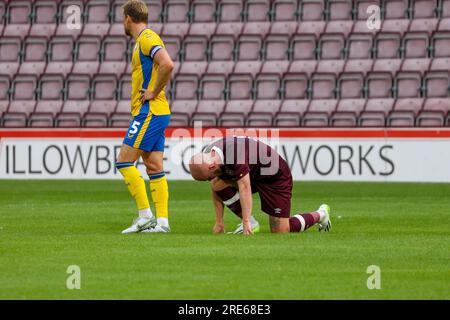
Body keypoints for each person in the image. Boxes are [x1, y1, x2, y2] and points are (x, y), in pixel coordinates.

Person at [189, 136, 331, 235]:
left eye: (207, 177)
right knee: (217, 183)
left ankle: (321, 215)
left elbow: (245, 187)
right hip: (254, 174)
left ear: (212, 166)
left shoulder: (234, 154)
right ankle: (252, 222)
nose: (209, 180)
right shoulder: (210, 154)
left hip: (275, 177)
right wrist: (219, 222)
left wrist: (245, 222)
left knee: (281, 230)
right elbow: (215, 186)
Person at [115, 0, 174, 234]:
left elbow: (167, 64)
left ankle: (145, 216)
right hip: (158, 112)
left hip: (149, 111)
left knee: (124, 161)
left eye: (123, 18)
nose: (123, 23)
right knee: (153, 166)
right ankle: (162, 223)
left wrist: (153, 92)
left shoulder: (147, 38)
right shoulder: (143, 40)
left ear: (128, 18)